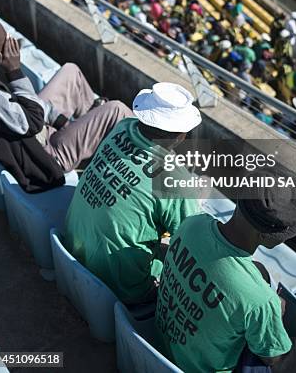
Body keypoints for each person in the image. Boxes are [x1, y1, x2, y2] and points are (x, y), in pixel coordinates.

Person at [155, 187, 296, 373]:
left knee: (260, 273)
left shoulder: (193, 224)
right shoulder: (260, 300)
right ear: (267, 237)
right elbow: (274, 359)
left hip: (163, 344)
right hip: (202, 368)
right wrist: (274, 312)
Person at [64, 82, 202, 305]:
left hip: (71, 248)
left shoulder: (122, 127)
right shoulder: (175, 179)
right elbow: (193, 246)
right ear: (181, 135)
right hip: (121, 286)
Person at [0, 20, 132, 192]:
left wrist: (59, 120)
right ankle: (161, 166)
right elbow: (32, 122)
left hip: (39, 133)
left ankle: (90, 136)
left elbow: (20, 110)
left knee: (70, 72)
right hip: (46, 155)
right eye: (7, 44)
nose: (12, 48)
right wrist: (14, 71)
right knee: (116, 109)